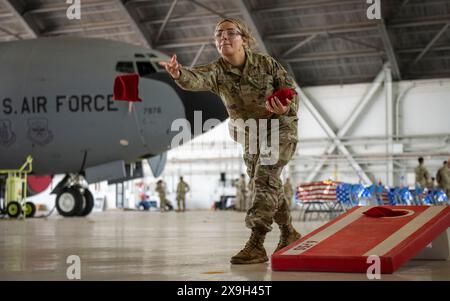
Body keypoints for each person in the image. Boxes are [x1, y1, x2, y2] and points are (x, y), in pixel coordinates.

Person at [159, 17, 301, 264]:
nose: (223, 38)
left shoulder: (267, 65)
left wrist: (284, 109)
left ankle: (256, 243)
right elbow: (195, 78)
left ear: (244, 39)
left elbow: (292, 96)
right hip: (251, 136)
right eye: (218, 35)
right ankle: (288, 232)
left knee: (265, 175)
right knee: (267, 185)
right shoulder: (217, 71)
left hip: (280, 129)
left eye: (229, 33)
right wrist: (178, 73)